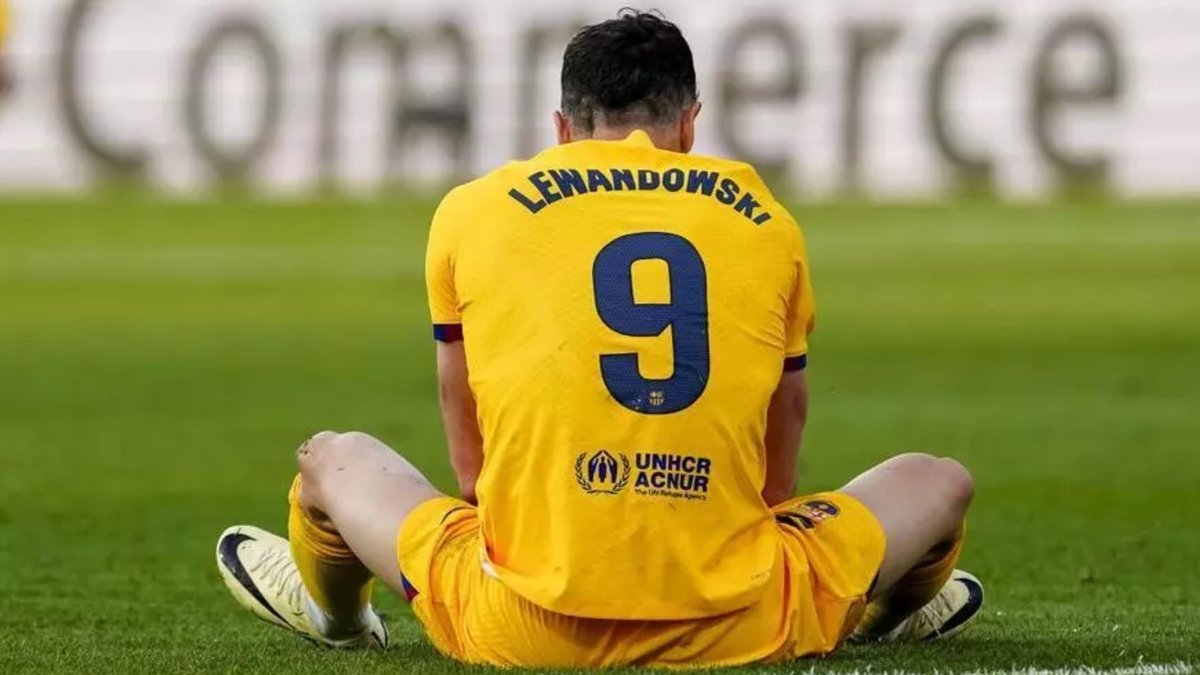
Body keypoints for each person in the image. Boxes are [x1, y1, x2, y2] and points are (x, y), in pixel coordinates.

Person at [216, 10, 983, 667]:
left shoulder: (472, 210)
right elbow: (785, 431)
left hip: (519, 623)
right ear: (690, 123)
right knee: (940, 481)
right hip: (744, 621)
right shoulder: (766, 219)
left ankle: (339, 620)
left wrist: (493, 519)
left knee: (331, 458)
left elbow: (462, 407)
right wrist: (762, 540)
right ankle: (882, 613)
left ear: (562, 128)